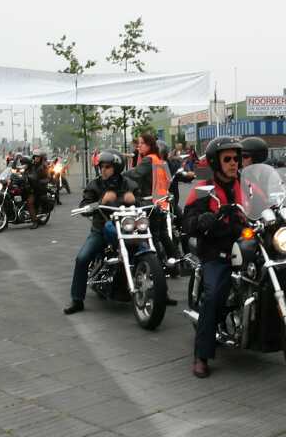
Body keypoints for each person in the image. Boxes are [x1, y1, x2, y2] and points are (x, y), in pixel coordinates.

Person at [183, 136, 247, 378]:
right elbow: (187, 222)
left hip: (247, 245)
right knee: (213, 296)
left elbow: (268, 202)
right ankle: (201, 355)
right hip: (217, 251)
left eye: (236, 158)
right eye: (227, 159)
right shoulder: (204, 189)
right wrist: (202, 220)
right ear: (215, 162)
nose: (233, 163)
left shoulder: (247, 185)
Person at [65, 150, 139, 314]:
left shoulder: (129, 184)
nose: (103, 170)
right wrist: (101, 201)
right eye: (101, 167)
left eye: (107, 167)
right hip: (101, 229)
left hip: (127, 228)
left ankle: (160, 293)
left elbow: (142, 201)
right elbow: (83, 206)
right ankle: (77, 299)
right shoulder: (95, 185)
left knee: (151, 252)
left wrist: (136, 201)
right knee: (82, 258)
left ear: (117, 168)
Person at [125, 133, 181, 273]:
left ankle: (159, 267)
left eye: (141, 143)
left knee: (153, 237)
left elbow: (136, 174)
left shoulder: (148, 159)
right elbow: (168, 179)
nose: (138, 146)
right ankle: (175, 263)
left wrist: (119, 175)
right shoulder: (159, 160)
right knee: (163, 235)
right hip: (162, 202)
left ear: (149, 145)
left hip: (150, 203)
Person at [24, 150, 50, 229]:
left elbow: (48, 178)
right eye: (35, 157)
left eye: (38, 157)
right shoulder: (31, 165)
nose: (36, 158)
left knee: (29, 202)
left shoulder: (43, 166)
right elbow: (25, 172)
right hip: (31, 187)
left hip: (38, 189)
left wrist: (39, 182)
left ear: (41, 158)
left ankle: (35, 221)